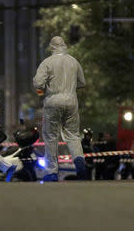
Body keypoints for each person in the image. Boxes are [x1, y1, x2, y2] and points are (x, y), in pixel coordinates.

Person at [33, 36, 86, 181]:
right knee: (73, 135)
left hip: (53, 102)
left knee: (51, 136)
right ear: (64, 45)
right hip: (71, 101)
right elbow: (82, 82)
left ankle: (52, 171)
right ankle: (79, 161)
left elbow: (38, 83)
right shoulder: (73, 61)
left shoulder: (47, 62)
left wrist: (41, 92)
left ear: (52, 47)